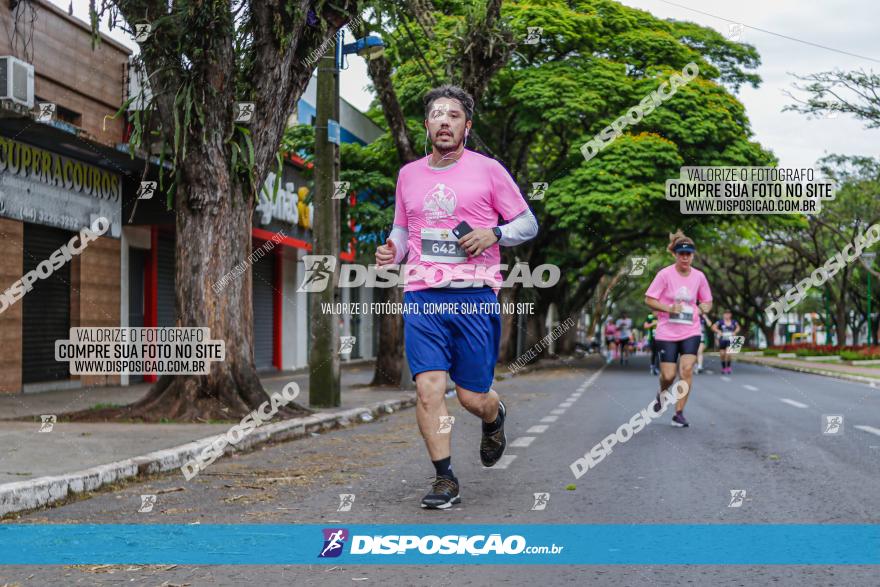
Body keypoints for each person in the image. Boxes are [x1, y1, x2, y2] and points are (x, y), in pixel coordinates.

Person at [375, 85, 539, 509]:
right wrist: (392, 249)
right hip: (423, 296)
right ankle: (445, 478)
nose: (444, 121)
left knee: (470, 396)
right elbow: (403, 228)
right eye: (436, 114)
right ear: (427, 124)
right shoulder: (408, 174)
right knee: (429, 389)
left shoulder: (489, 170)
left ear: (467, 125)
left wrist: (496, 232)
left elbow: (528, 224)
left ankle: (494, 415)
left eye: (453, 115)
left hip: (474, 296)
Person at [645, 230, 712, 427]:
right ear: (674, 254)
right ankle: (662, 392)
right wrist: (668, 308)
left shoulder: (699, 277)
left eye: (688, 254)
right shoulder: (664, 274)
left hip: (691, 330)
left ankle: (679, 413)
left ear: (693, 255)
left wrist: (705, 307)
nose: (685, 257)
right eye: (681, 253)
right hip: (667, 332)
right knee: (668, 375)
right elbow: (649, 299)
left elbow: (707, 300)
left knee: (687, 370)